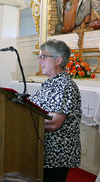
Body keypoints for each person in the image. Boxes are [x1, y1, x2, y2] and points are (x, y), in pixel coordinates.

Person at [29, 39, 81, 182]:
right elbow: (32, 108)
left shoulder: (65, 86)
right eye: (40, 57)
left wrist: (25, 122)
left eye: (44, 56)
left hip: (57, 153)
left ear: (58, 60)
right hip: (44, 149)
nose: (40, 61)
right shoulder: (49, 84)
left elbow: (53, 123)